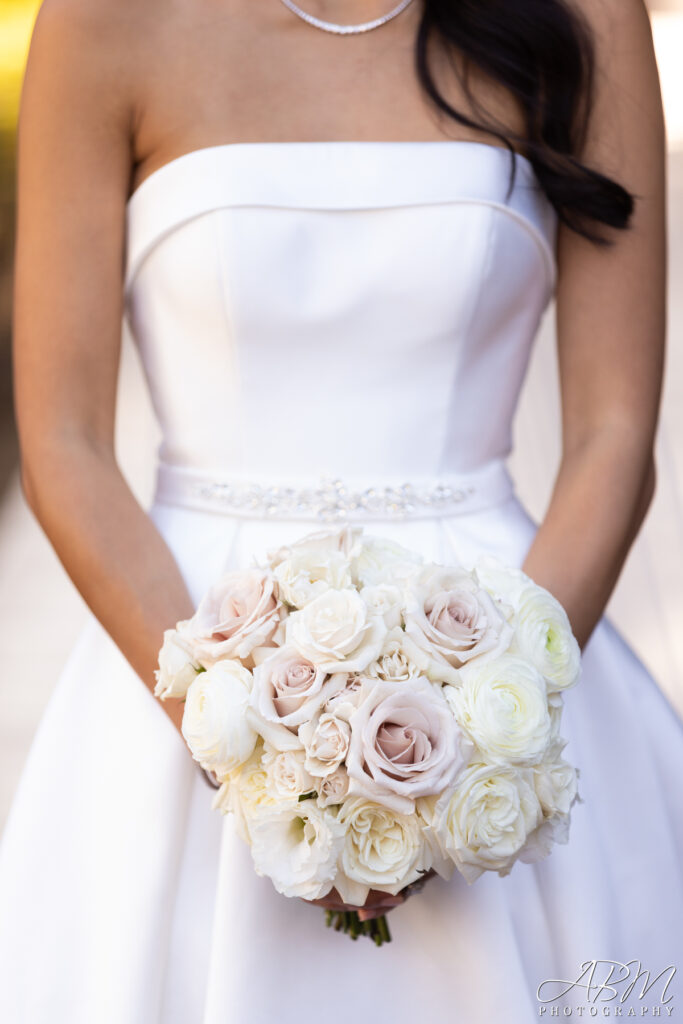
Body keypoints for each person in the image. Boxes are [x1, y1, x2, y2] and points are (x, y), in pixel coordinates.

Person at [1, 0, 682, 1020]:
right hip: (178, 651)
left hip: (511, 636)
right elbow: (62, 443)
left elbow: (614, 439)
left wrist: (482, 739)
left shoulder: (587, 15)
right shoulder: (102, 22)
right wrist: (257, 755)